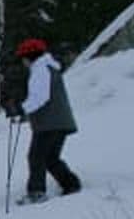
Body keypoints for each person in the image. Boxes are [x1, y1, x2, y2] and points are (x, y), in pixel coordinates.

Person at [5, 38, 81, 205]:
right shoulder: (49, 68)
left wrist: (20, 109)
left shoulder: (40, 69)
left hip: (49, 124)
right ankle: (71, 184)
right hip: (60, 121)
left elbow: (40, 97)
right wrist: (23, 110)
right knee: (50, 158)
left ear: (29, 56)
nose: (22, 62)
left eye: (23, 58)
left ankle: (36, 193)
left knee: (36, 157)